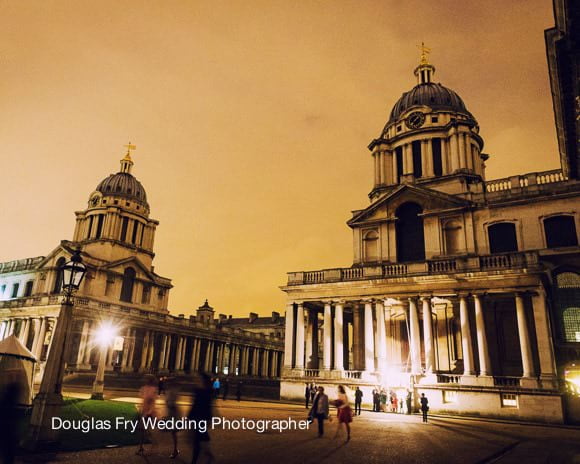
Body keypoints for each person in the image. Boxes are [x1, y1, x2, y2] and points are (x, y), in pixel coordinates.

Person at [189, 373, 215, 464]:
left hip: (201, 418)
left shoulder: (205, 391)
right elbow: (194, 405)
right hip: (199, 418)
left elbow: (207, 406)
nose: (196, 380)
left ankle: (200, 458)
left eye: (199, 379)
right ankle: (206, 456)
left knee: (198, 440)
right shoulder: (200, 390)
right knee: (200, 439)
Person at [0, 383, 22, 464]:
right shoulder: (8, 404)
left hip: (6, 436)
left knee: (7, 457)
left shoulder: (5, 402)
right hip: (7, 436)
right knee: (8, 456)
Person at [137, 375, 158, 456]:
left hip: (149, 413)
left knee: (149, 431)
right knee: (142, 431)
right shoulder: (144, 388)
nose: (145, 380)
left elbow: (152, 402)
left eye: (147, 379)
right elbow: (143, 399)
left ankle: (154, 447)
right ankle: (141, 447)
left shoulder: (153, 389)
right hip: (144, 411)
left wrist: (149, 412)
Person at [165, 377, 180, 459]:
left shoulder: (173, 391)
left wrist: (169, 404)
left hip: (173, 414)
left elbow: (172, 402)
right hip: (171, 413)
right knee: (172, 432)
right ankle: (175, 449)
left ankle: (175, 450)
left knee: (173, 432)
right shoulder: (170, 390)